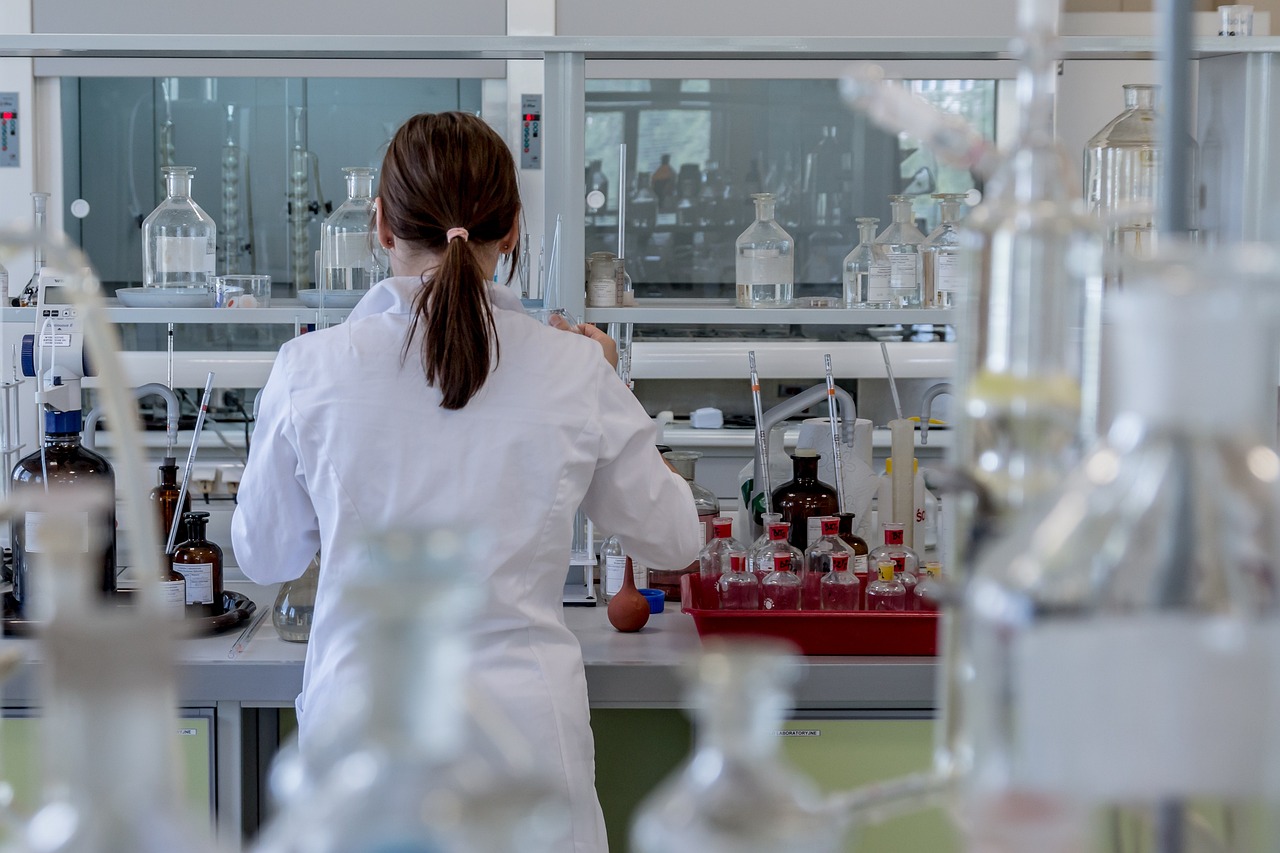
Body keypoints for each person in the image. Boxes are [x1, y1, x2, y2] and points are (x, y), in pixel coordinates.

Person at [231, 112, 702, 852]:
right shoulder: (575, 368)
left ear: (381, 225)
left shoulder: (308, 369)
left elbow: (265, 558)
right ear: (512, 229)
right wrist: (615, 382)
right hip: (527, 754)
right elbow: (675, 537)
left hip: (362, 751)